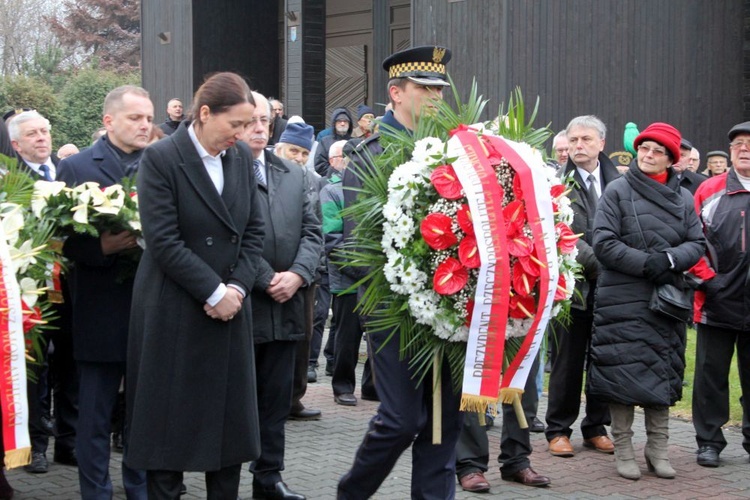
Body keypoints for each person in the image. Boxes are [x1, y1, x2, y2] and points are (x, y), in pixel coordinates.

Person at [125, 72, 264, 500]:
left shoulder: (239, 159)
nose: (241, 135)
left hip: (229, 312)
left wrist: (237, 289)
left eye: (248, 125)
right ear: (204, 114)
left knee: (228, 437)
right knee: (169, 436)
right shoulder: (162, 159)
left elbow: (254, 231)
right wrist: (214, 291)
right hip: (175, 311)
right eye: (235, 124)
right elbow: (163, 241)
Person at [337, 45, 464, 500]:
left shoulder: (453, 148)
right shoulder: (371, 152)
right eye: (425, 89)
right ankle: (351, 493)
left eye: (439, 89)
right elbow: (357, 239)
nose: (435, 97)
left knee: (444, 423)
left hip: (449, 308)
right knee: (401, 420)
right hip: (395, 307)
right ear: (396, 92)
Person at [588, 122, 705, 480]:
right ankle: (623, 449)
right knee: (621, 374)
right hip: (621, 298)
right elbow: (603, 243)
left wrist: (667, 261)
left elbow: (697, 243)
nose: (648, 155)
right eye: (644, 149)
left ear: (671, 158)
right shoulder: (617, 191)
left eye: (657, 151)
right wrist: (647, 264)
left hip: (665, 299)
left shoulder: (684, 197)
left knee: (661, 373)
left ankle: (658, 449)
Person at [57, 85, 154, 500]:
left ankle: (140, 487)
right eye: (136, 118)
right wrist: (101, 247)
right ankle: (96, 491)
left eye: (149, 118)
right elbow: (58, 237)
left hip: (151, 305)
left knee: (144, 414)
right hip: (98, 306)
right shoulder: (78, 167)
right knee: (94, 414)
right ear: (109, 121)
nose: (145, 125)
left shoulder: (161, 163)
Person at [243, 91, 322, 500]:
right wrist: (266, 278)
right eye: (251, 119)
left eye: (265, 120)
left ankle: (269, 479)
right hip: (243, 308)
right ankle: (221, 479)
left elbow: (312, 231)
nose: (260, 127)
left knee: (275, 404)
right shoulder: (225, 172)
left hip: (287, 307)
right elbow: (231, 238)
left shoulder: (292, 174)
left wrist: (298, 274)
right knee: (235, 405)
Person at [9, 110, 79, 474]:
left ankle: (69, 443)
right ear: (16, 144)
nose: (41, 138)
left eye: (45, 131)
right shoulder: (9, 181)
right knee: (35, 367)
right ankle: (35, 446)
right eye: (32, 134)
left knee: (71, 362)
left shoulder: (69, 171)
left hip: (70, 285)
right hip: (31, 288)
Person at [545, 115, 616, 458]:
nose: (578, 146)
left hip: (612, 290)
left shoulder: (619, 182)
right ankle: (558, 428)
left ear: (602, 143)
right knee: (566, 362)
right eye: (573, 140)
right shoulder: (556, 182)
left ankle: (596, 427)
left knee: (603, 358)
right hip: (571, 288)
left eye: (586, 139)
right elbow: (563, 234)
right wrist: (604, 264)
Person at [689, 121, 750, 468]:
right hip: (716, 301)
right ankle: (709, 441)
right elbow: (692, 239)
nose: (744, 149)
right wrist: (707, 280)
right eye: (738, 144)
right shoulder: (709, 190)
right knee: (711, 377)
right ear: (729, 152)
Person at [274, 121, 325, 419]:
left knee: (302, 338)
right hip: (270, 272)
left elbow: (315, 228)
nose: (299, 157)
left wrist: (306, 270)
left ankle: (294, 398)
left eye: (305, 153)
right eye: (294, 150)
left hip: (305, 274)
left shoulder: (313, 180)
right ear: (280, 147)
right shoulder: (263, 173)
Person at [456, 357, 551, 492]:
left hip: (521, 335)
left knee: (523, 382)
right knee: (473, 379)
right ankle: (470, 465)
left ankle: (517, 460)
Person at [314, 107, 353, 176]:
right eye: (339, 121)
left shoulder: (354, 142)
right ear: (334, 124)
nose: (342, 123)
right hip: (330, 182)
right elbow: (319, 165)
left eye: (346, 121)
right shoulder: (325, 141)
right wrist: (335, 175)